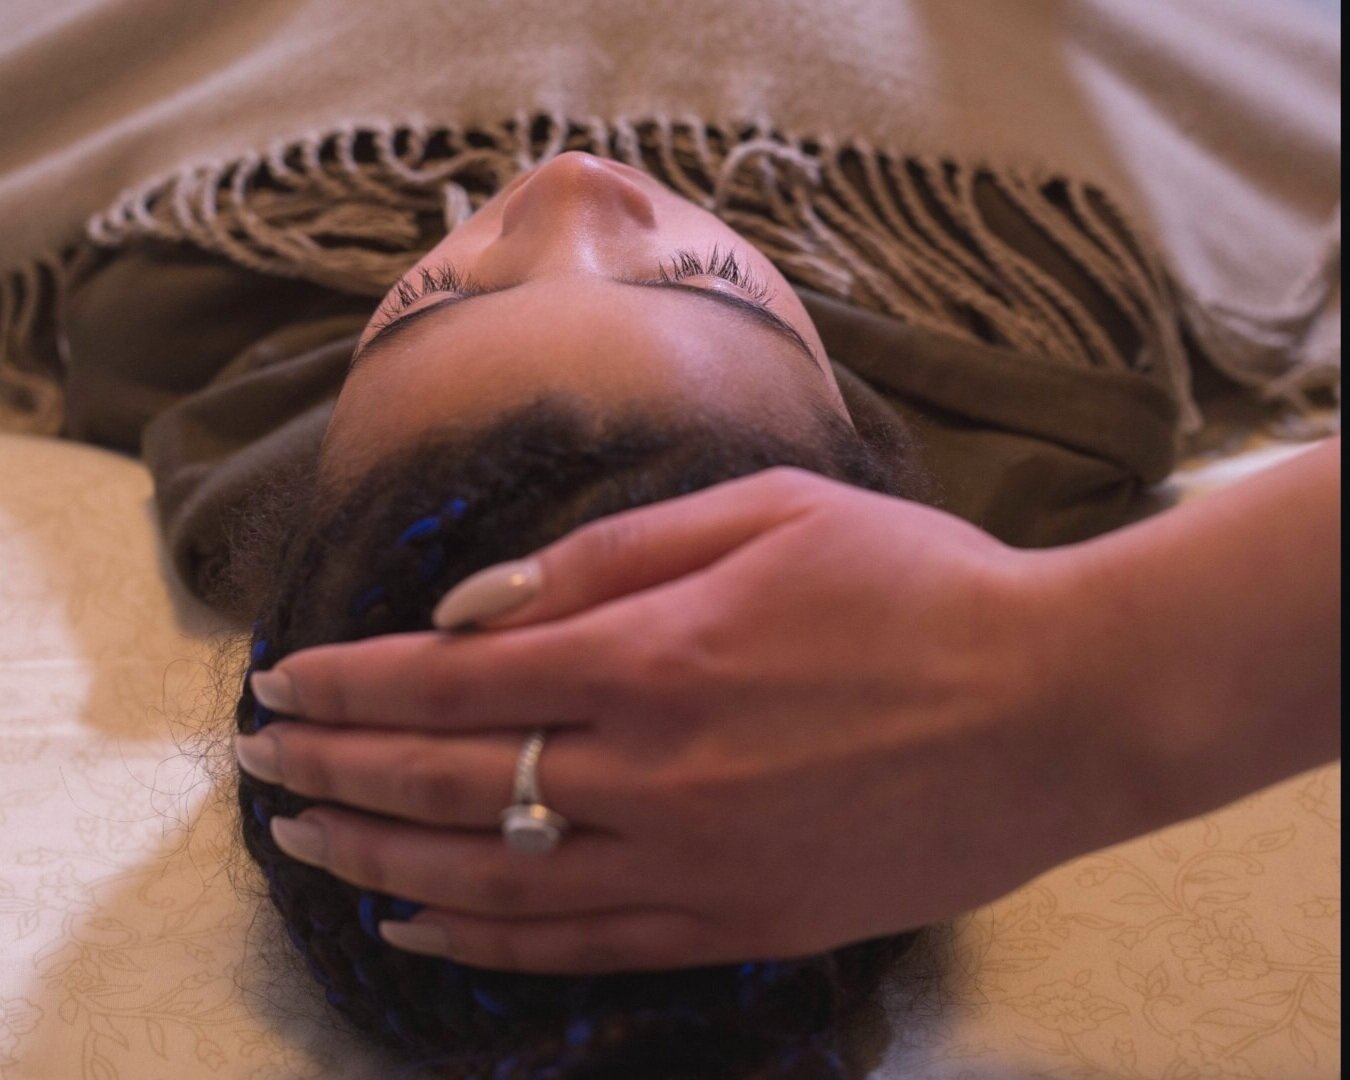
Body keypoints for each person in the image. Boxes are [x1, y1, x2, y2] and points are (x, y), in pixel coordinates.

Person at [0, 3, 1338, 1077]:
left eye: (421, 307)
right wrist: (1078, 680)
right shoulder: (1047, 301)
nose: (571, 182)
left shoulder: (198, 281)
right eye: (704, 281)